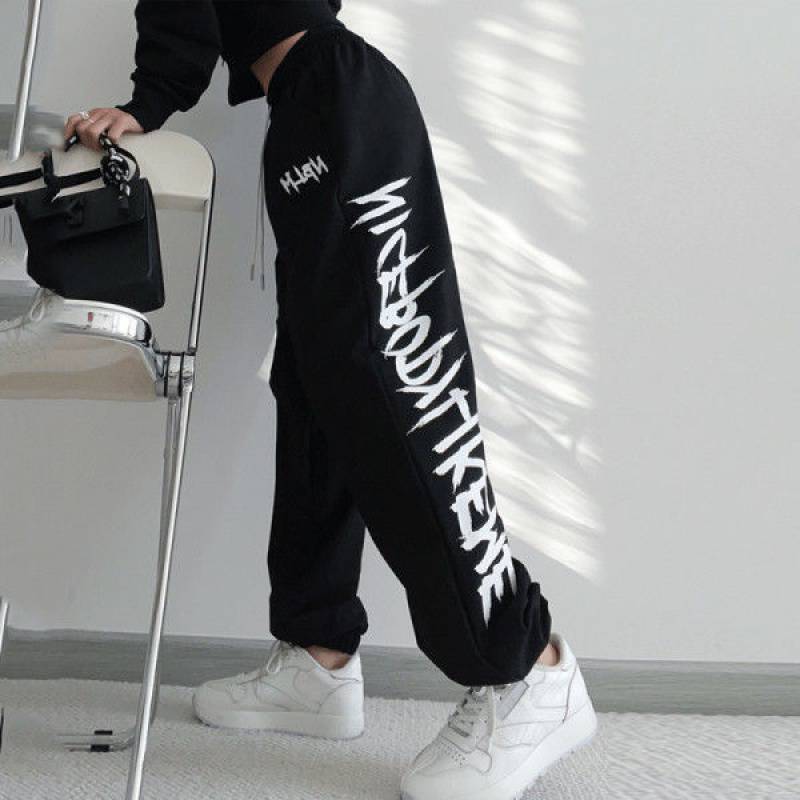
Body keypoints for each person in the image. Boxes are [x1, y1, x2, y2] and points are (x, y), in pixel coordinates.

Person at [65, 2, 597, 798]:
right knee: (316, 386)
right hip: (307, 112)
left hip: (342, 98)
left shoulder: (335, 75)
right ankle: (319, 656)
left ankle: (527, 666)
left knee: (394, 379)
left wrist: (152, 96)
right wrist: (149, 100)